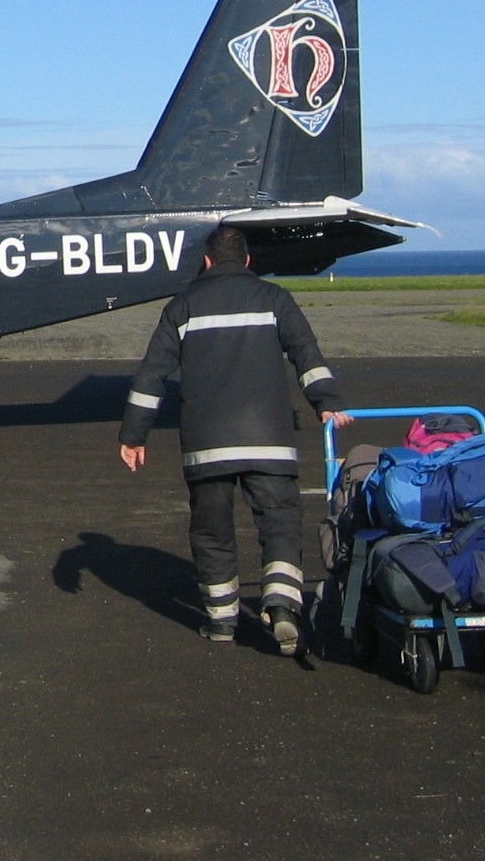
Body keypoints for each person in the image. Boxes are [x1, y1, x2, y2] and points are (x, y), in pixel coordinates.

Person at [116, 225, 350, 653]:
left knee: (212, 533)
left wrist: (134, 435)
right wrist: (327, 403)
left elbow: (151, 376)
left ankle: (222, 622)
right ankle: (281, 606)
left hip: (207, 447)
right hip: (270, 441)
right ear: (246, 261)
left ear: (206, 261)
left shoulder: (182, 307)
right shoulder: (275, 299)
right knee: (280, 522)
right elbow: (307, 354)